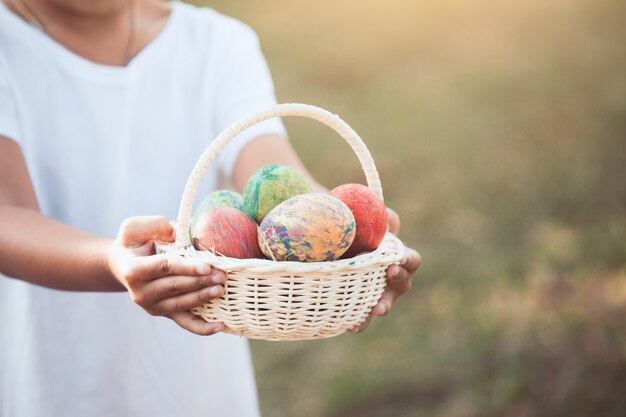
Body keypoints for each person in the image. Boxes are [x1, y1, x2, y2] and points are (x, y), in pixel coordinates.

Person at [0, 0, 421, 415]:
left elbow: (272, 177)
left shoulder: (216, 44)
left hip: (193, 382)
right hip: (54, 374)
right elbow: (8, 214)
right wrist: (110, 262)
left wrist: (347, 234)